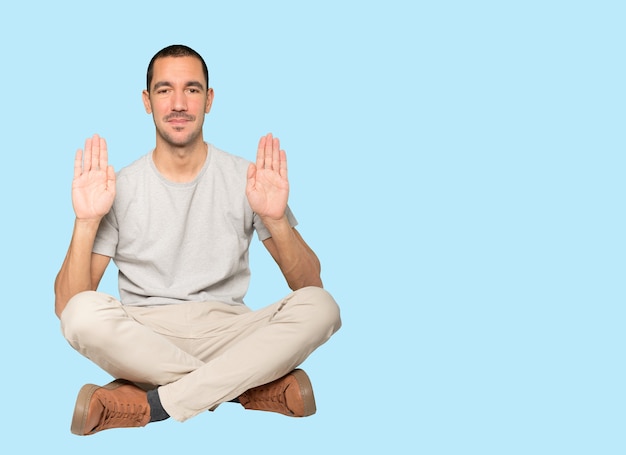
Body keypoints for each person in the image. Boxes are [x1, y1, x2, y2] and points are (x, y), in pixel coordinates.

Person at [54, 44, 341, 436]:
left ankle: (154, 404)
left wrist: (275, 218)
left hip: (231, 331)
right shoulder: (118, 187)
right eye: (164, 89)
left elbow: (309, 284)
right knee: (80, 315)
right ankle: (246, 387)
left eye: (191, 89)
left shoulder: (248, 177)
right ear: (146, 101)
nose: (177, 103)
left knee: (321, 306)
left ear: (209, 100)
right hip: (145, 338)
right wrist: (86, 221)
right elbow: (67, 307)